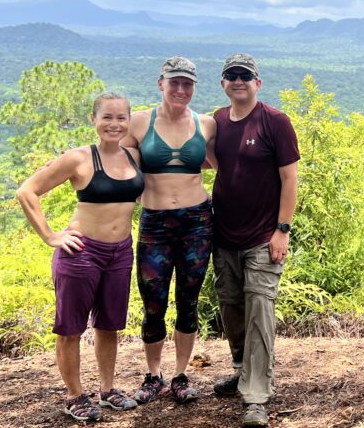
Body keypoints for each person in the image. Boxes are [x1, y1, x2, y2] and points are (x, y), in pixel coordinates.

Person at [16, 92, 143, 422]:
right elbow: (27, 191)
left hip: (120, 252)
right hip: (82, 252)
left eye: (121, 118)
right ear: (94, 119)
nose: (114, 124)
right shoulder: (78, 159)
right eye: (107, 117)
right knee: (71, 329)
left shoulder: (133, 157)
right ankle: (74, 395)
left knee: (109, 325)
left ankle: (108, 389)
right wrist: (50, 236)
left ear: (129, 122)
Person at [208, 53, 299, 428]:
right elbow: (210, 161)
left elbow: (290, 180)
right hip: (223, 235)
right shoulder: (216, 121)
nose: (238, 80)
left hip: (263, 237)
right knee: (231, 308)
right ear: (224, 83)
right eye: (231, 75)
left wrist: (282, 230)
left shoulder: (275, 122)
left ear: (257, 83)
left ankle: (256, 396)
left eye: (246, 75)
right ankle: (244, 369)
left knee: (259, 310)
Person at [123, 56, 216, 405]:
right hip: (156, 223)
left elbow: (227, 164)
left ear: (194, 87)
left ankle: (179, 375)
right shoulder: (137, 123)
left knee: (188, 302)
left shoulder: (206, 124)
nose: (180, 89)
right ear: (160, 83)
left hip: (197, 222)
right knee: (153, 303)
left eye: (187, 83)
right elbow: (114, 165)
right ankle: (153, 375)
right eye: (174, 82)